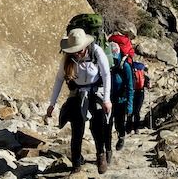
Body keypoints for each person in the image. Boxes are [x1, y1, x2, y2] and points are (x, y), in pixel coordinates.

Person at [46, 28, 112, 174]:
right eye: (74, 50)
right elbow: (59, 80)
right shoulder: (67, 58)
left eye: (80, 50)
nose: (77, 53)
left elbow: (106, 75)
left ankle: (100, 156)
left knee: (97, 127)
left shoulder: (97, 52)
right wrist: (52, 104)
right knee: (77, 130)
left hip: (96, 93)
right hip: (77, 94)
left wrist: (106, 100)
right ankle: (76, 165)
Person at [105, 42, 133, 159]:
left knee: (119, 123)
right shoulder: (106, 64)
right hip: (108, 99)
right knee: (107, 125)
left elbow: (130, 87)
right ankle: (108, 150)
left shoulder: (125, 66)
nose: (113, 62)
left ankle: (121, 136)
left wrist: (130, 105)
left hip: (121, 100)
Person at [127, 65, 151, 134]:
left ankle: (128, 128)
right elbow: (148, 86)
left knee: (130, 111)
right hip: (140, 93)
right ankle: (136, 128)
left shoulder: (132, 75)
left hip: (132, 93)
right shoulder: (144, 76)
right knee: (137, 111)